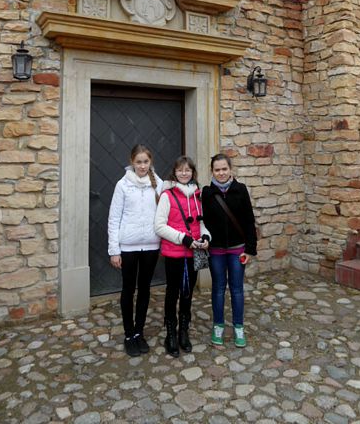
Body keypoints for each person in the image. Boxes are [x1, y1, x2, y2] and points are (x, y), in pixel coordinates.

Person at [108, 144, 163, 357]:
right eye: (138, 162)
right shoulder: (122, 185)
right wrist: (114, 250)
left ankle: (139, 332)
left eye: (145, 162)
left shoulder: (158, 184)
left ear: (150, 162)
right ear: (132, 162)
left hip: (151, 246)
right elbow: (114, 219)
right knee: (128, 289)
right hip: (128, 247)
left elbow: (164, 214)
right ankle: (129, 334)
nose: (142, 166)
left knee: (145, 289)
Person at [154, 156, 210, 357]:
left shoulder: (198, 195)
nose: (184, 173)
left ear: (192, 172)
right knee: (173, 293)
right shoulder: (167, 196)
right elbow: (159, 226)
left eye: (187, 170)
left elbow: (201, 223)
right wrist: (183, 239)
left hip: (193, 253)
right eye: (180, 170)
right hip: (175, 253)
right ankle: (170, 333)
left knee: (187, 293)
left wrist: (206, 237)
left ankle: (183, 331)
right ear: (174, 172)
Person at [201, 153, 257, 348]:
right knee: (218, 288)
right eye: (217, 170)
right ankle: (218, 325)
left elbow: (249, 221)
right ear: (212, 171)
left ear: (230, 169)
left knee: (237, 288)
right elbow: (202, 221)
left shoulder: (240, 190)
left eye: (224, 169)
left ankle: (238, 326)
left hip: (237, 249)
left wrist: (250, 249)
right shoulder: (207, 193)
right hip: (216, 250)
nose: (221, 173)